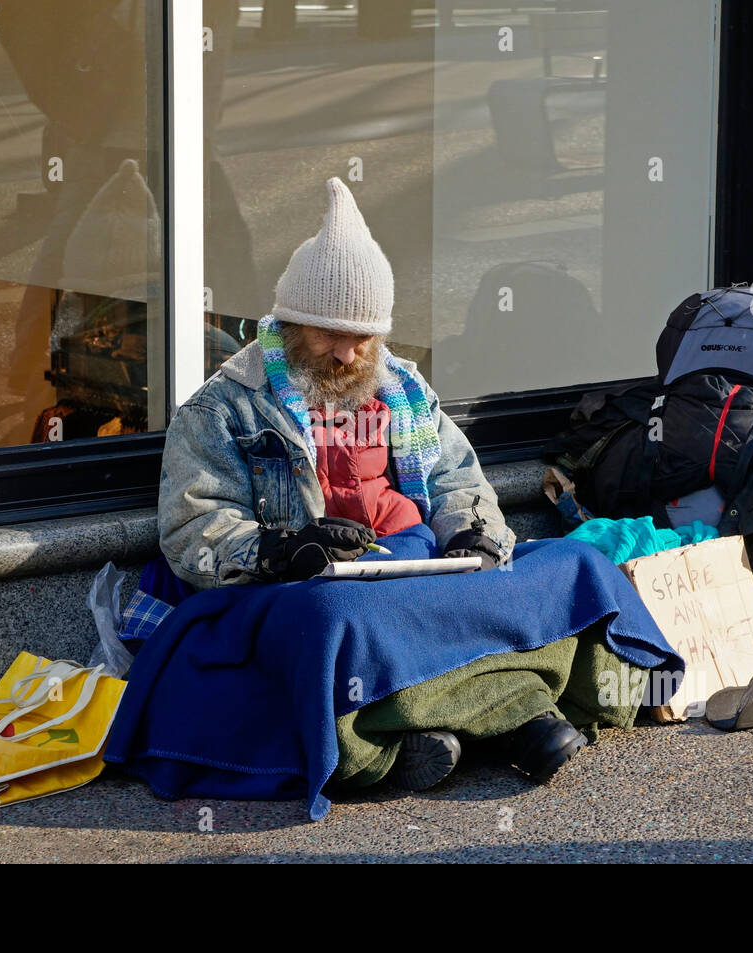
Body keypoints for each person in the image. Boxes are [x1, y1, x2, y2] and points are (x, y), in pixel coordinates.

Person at [157, 177, 626, 791]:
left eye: (363, 337)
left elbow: (457, 478)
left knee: (576, 565)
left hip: (419, 564)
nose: (348, 355)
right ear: (292, 324)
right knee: (341, 620)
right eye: (330, 335)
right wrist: (282, 548)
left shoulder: (402, 387)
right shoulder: (223, 408)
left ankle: (422, 734)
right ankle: (516, 719)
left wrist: (473, 536)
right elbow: (193, 527)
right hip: (305, 584)